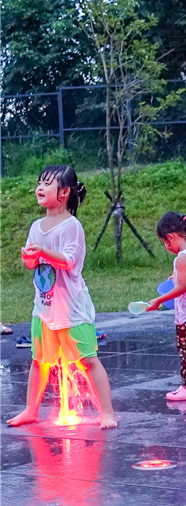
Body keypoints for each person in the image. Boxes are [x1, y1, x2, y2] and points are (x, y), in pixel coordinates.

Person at [7, 165, 118, 429]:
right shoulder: (37, 226)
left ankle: (108, 413)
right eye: (39, 183)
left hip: (71, 309)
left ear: (65, 192)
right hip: (44, 308)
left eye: (47, 184)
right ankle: (31, 409)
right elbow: (33, 264)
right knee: (38, 362)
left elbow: (69, 261)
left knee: (88, 360)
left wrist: (43, 251)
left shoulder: (72, 226)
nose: (40, 188)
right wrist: (30, 259)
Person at [148, 212, 186, 401]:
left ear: (171, 237)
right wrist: (179, 277)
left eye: (165, 244)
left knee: (185, 350)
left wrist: (159, 300)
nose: (168, 248)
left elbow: (181, 288)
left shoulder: (181, 258)